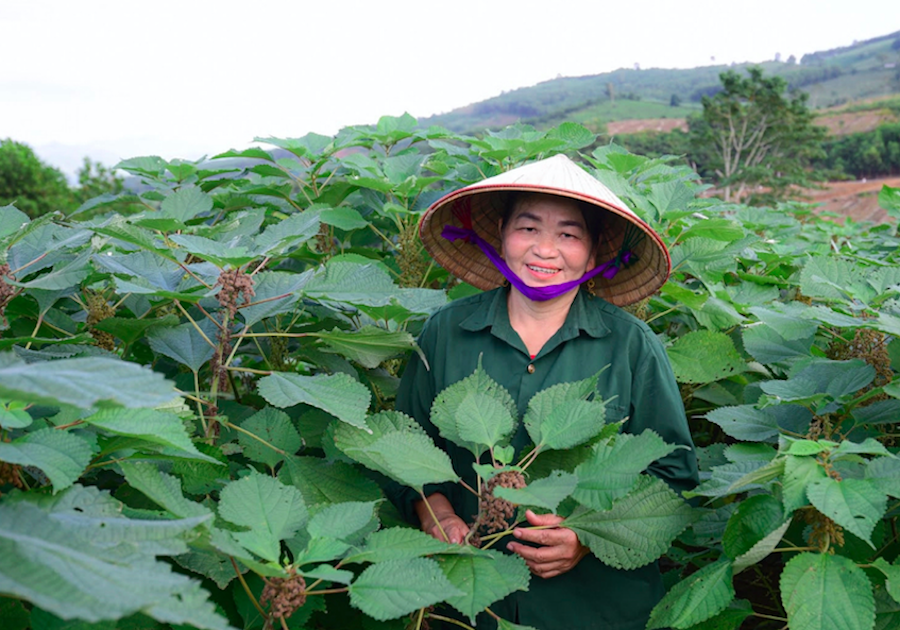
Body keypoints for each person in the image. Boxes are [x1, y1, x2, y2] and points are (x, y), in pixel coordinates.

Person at [390, 154, 699, 630]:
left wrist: (588, 537)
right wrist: (437, 515)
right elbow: (404, 449)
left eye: (569, 234)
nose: (545, 250)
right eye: (528, 228)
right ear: (501, 236)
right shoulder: (445, 333)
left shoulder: (633, 347)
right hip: (467, 601)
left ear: (594, 253)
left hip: (594, 609)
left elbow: (672, 477)